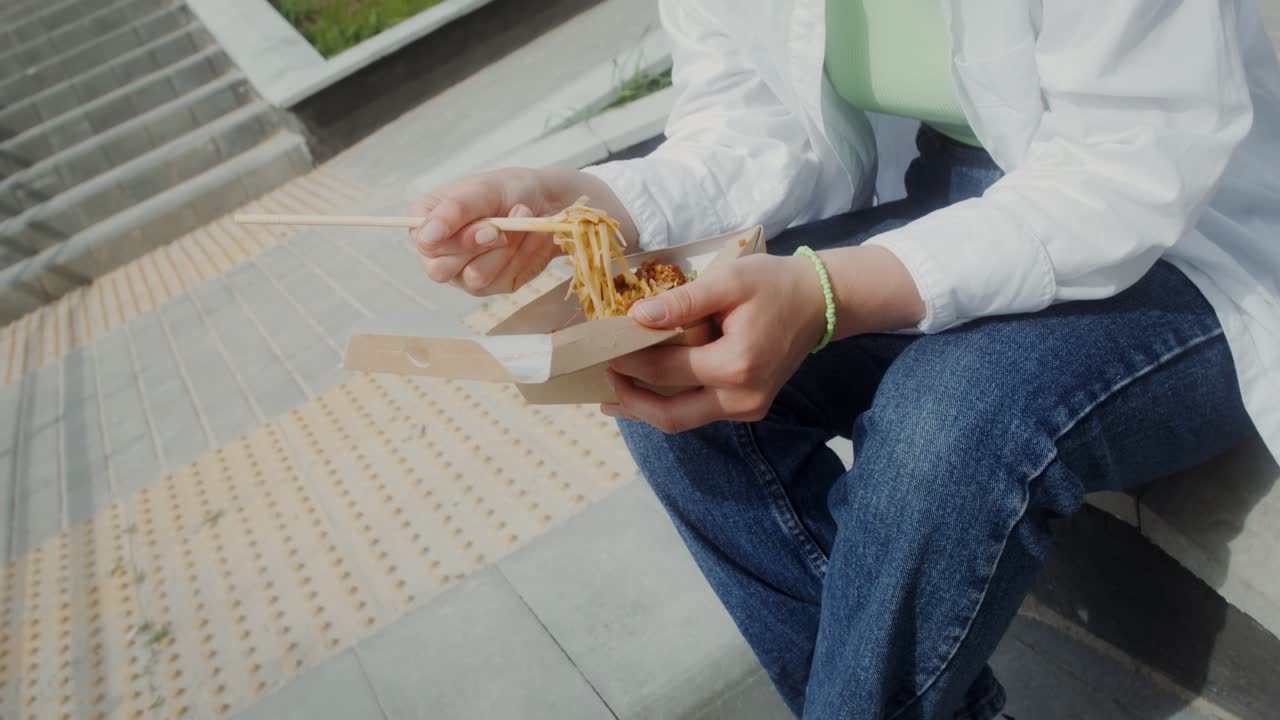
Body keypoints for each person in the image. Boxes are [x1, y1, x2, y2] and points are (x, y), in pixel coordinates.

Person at [409, 2, 1280, 717]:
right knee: (675, 367)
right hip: (955, 197)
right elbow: (755, 117)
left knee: (950, 418)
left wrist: (830, 295)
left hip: (1198, 237)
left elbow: (1135, 164)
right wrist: (589, 200)